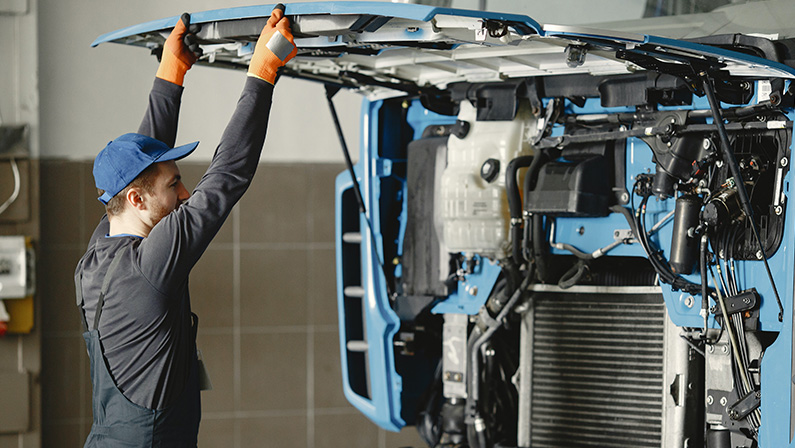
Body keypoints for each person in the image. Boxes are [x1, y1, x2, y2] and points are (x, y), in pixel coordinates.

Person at [74, 5, 297, 447]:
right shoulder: (149, 264)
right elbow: (227, 177)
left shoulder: (97, 254)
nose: (185, 195)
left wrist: (170, 75)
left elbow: (141, 168)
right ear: (135, 201)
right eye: (175, 185)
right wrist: (262, 73)